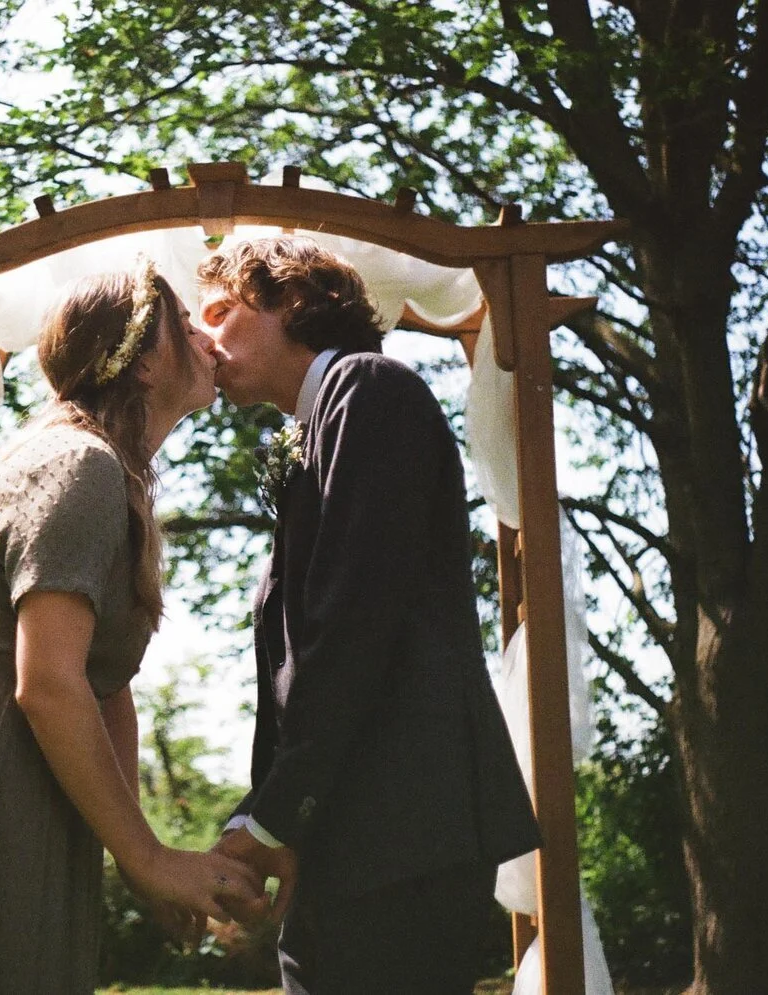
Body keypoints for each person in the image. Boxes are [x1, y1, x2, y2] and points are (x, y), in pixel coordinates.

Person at [0, 256, 263, 994]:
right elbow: (51, 684)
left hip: (26, 775)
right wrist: (149, 860)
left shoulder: (106, 472)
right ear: (145, 362)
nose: (206, 337)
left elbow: (105, 688)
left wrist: (139, 851)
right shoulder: (79, 466)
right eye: (185, 323)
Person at [196, 237, 542, 994]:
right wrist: (265, 815)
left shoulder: (371, 387)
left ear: (291, 301)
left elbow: (354, 622)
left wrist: (275, 817)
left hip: (402, 830)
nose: (203, 335)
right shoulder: (319, 421)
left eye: (220, 312)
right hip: (344, 833)